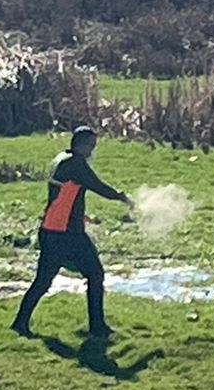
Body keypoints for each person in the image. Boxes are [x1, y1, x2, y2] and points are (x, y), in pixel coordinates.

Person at [12, 126, 131, 339]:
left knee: (43, 281)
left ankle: (20, 323)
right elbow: (98, 186)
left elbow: (67, 197)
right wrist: (123, 198)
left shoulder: (61, 159)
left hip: (53, 230)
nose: (93, 150)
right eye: (92, 146)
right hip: (66, 234)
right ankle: (97, 327)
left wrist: (84, 216)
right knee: (95, 274)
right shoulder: (76, 164)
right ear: (82, 145)